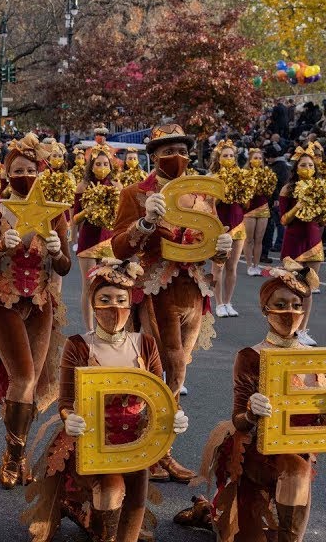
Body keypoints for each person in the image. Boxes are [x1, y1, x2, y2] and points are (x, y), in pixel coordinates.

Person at [173, 261, 326, 542]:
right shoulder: (251, 356)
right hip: (256, 453)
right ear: (266, 309)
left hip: (297, 457)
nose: (289, 312)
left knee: (296, 478)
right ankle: (208, 513)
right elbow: (239, 418)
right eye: (280, 304)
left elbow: (323, 426)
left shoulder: (318, 361)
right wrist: (252, 412)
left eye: (296, 305)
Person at [25, 258, 190, 542]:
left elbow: (160, 396)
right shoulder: (79, 344)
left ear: (130, 304)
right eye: (105, 299)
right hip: (93, 445)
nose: (114, 307)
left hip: (138, 446)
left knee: (130, 528)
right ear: (93, 303)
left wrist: (173, 417)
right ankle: (88, 513)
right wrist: (70, 418)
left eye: (120, 299)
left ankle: (89, 517)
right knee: (110, 492)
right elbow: (66, 401)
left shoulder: (145, 343)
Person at [110, 123, 232, 482]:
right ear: (153, 156)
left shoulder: (201, 194)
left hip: (192, 290)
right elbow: (118, 246)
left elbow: (212, 240)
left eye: (181, 151)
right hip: (152, 289)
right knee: (158, 368)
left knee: (178, 372)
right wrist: (146, 223)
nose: (175, 158)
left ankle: (160, 449)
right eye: (166, 152)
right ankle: (150, 449)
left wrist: (221, 253)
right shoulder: (135, 193)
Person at [0, 133, 71, 489]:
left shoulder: (56, 214)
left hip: (41, 304)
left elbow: (64, 268)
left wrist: (58, 251)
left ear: (40, 173)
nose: (24, 176)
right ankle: (13, 457)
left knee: (33, 383)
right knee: (23, 377)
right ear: (6, 173)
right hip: (4, 302)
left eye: (30, 169)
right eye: (17, 170)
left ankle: (19, 453)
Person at [277, 142, 326, 345]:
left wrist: (325, 211)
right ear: (296, 168)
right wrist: (299, 205)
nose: (307, 169)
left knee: (309, 289)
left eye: (310, 165)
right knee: (291, 289)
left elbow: (322, 220)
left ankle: (302, 330)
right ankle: (285, 328)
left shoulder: (321, 188)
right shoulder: (287, 189)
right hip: (293, 241)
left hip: (313, 240)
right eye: (303, 165)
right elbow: (284, 220)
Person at [72, 144, 121, 332]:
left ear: (111, 165)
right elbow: (75, 218)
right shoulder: (82, 186)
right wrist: (88, 211)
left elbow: (122, 216)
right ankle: (89, 328)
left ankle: (106, 326)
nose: (102, 167)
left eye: (105, 163)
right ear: (91, 166)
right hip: (88, 240)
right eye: (97, 163)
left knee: (109, 285)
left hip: (108, 240)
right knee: (89, 285)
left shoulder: (116, 186)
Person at [210, 140, 249, 318]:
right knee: (218, 267)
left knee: (232, 267)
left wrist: (241, 191)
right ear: (218, 158)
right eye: (225, 155)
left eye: (231, 155)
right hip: (220, 227)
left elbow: (246, 203)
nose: (229, 158)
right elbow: (208, 204)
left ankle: (228, 302)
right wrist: (221, 193)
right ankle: (218, 303)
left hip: (239, 225)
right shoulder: (213, 177)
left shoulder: (241, 176)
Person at [243, 147, 278, 277]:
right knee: (249, 239)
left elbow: (272, 189)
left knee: (259, 239)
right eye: (255, 158)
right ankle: (249, 265)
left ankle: (256, 265)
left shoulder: (267, 173)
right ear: (250, 160)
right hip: (249, 208)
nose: (258, 160)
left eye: (260, 158)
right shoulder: (244, 173)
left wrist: (274, 197)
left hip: (263, 207)